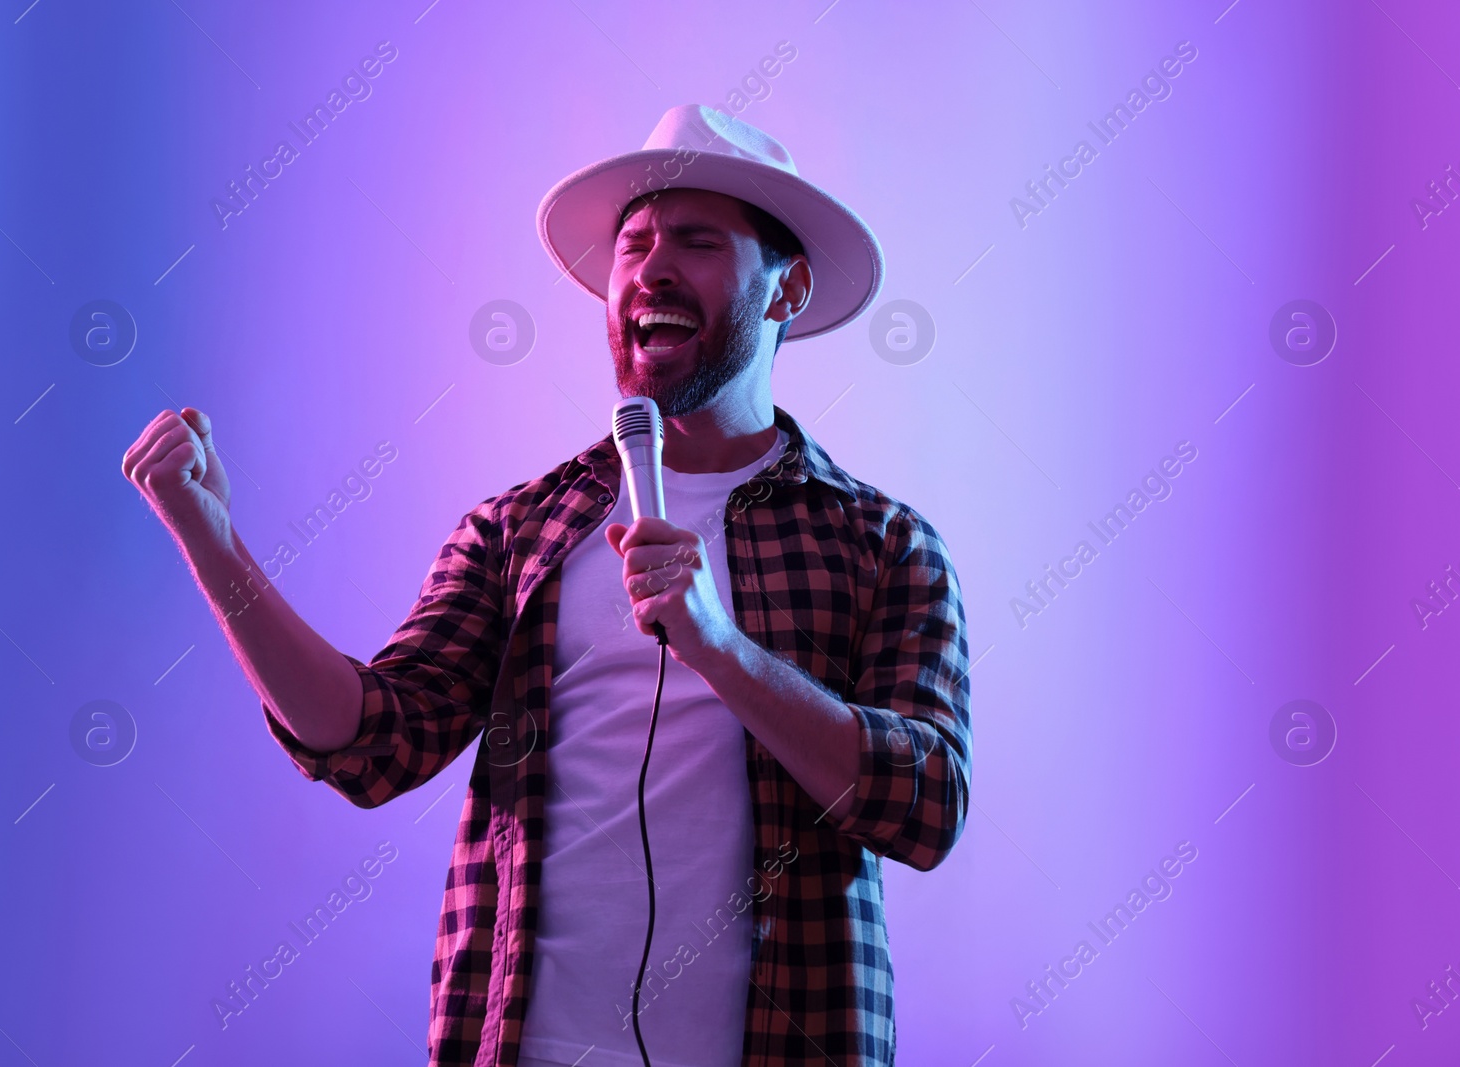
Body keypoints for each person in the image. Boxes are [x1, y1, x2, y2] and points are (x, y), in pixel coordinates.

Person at [122, 104, 972, 1067]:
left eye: (695, 241)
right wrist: (211, 539)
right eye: (634, 245)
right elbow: (370, 743)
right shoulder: (518, 530)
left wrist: (716, 646)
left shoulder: (883, 545)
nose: (650, 268)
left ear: (789, 289)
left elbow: (926, 804)